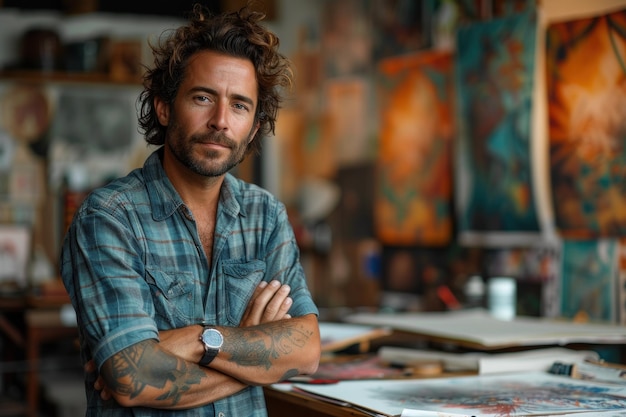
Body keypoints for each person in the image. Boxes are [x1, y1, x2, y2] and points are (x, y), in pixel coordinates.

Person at [60, 4, 320, 416]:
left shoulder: (266, 215)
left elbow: (305, 350)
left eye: (239, 105)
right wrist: (255, 353)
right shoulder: (108, 217)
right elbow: (133, 378)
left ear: (253, 127)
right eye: (203, 97)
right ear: (164, 108)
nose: (220, 120)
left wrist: (198, 339)